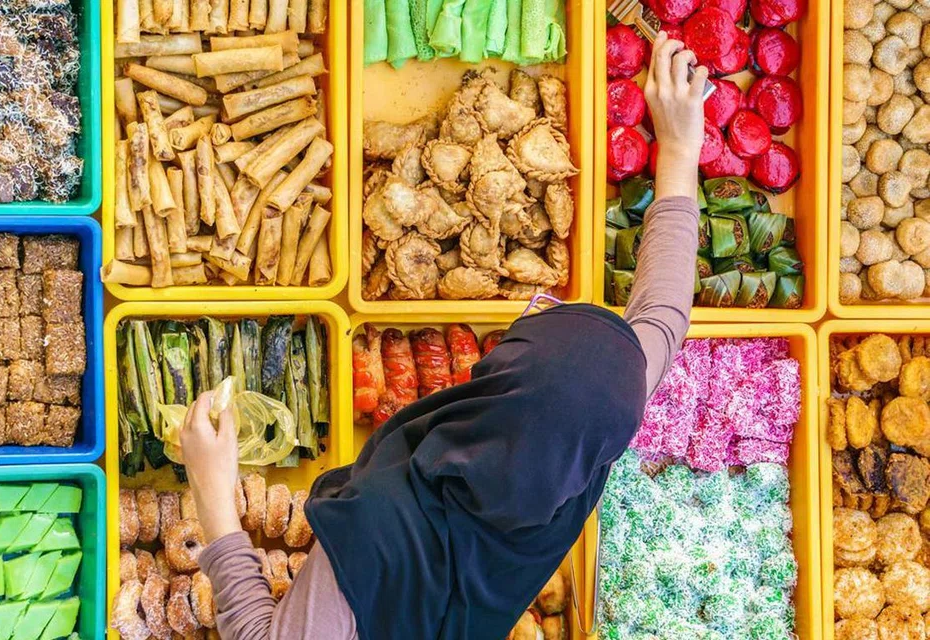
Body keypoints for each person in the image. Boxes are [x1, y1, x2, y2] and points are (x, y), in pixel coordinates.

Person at [180, 32, 707, 640]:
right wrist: (679, 150)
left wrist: (214, 496)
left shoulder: (378, 534)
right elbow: (665, 311)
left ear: (493, 381)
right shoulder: (583, 452)